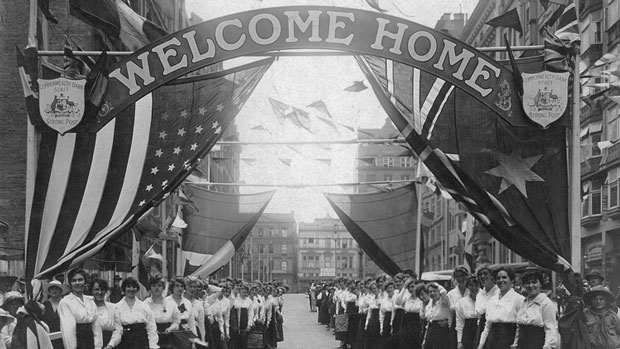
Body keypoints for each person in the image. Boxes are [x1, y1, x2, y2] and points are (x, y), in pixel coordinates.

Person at [477, 267, 523, 349]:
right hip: (492, 341)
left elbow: (520, 326)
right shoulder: (492, 300)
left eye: (504, 277)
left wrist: (515, 344)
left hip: (509, 339)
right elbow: (487, 326)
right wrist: (480, 345)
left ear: (511, 280)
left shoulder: (519, 299)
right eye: (498, 278)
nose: (501, 280)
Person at [58, 268, 103, 349]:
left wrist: (98, 347)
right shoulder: (66, 302)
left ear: (85, 281)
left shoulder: (90, 302)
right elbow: (69, 331)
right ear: (70, 283)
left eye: (80, 280)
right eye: (74, 280)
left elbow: (97, 328)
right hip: (78, 344)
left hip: (91, 343)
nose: (77, 283)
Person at [515, 270, 558, 349]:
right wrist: (515, 344)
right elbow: (519, 328)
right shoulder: (523, 303)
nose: (531, 285)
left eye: (534, 282)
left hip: (537, 345)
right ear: (524, 285)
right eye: (527, 283)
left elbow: (550, 329)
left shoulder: (546, 303)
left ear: (540, 284)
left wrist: (547, 347)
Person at [116, 277, 158, 349]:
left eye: (134, 287)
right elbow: (116, 330)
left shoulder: (144, 306)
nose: (131, 289)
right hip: (124, 342)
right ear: (124, 288)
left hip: (141, 341)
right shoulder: (117, 307)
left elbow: (151, 327)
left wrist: (153, 345)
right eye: (128, 286)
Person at [145, 277, 185, 349]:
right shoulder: (145, 304)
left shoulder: (171, 304)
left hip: (168, 337)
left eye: (159, 285)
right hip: (151, 336)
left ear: (163, 288)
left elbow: (176, 322)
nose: (157, 288)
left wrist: (171, 328)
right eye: (154, 286)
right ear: (150, 288)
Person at [91, 278, 122, 349]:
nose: (99, 292)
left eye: (102, 289)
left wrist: (110, 345)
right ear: (91, 291)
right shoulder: (88, 308)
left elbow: (118, 329)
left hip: (109, 344)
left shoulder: (113, 308)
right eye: (96, 289)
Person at [41, 279, 69, 349]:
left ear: (60, 291)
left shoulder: (65, 304)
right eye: (52, 289)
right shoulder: (43, 305)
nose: (54, 291)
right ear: (49, 291)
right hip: (47, 338)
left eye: (57, 289)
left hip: (63, 338)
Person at [422, 282, 451, 349]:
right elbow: (428, 323)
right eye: (430, 291)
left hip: (442, 330)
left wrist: (437, 285)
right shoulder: (429, 305)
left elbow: (444, 292)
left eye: (434, 291)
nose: (432, 293)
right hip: (431, 331)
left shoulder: (443, 301)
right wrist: (424, 339)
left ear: (439, 291)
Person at [474, 264, 497, 342]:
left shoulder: (498, 292)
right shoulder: (480, 294)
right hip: (481, 327)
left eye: (485, 273)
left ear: (491, 276)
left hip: (495, 328)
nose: (483, 276)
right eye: (480, 275)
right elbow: (478, 311)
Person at [448, 266, 470, 349]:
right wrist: (450, 326)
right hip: (455, 324)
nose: (460, 278)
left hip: (469, 324)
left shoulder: (472, 291)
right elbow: (449, 312)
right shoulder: (451, 294)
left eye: (462, 275)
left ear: (467, 276)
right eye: (458, 276)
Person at [455, 277, 480, 349]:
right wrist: (459, 341)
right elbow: (460, 322)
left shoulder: (484, 300)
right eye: (471, 285)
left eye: (476, 285)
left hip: (481, 329)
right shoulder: (462, 302)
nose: (474, 288)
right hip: (468, 331)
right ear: (467, 286)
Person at [229, 284, 254, 349]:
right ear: (239, 290)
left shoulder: (249, 301)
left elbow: (250, 314)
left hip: (244, 326)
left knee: (244, 344)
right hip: (235, 325)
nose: (244, 291)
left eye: (246, 289)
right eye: (242, 289)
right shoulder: (235, 299)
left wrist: (249, 325)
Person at [363, 282, 382, 349]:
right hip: (372, 320)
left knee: (378, 339)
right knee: (371, 339)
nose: (374, 290)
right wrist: (366, 323)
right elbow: (369, 312)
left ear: (378, 288)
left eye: (375, 288)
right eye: (372, 289)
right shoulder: (372, 298)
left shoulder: (381, 298)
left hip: (379, 319)